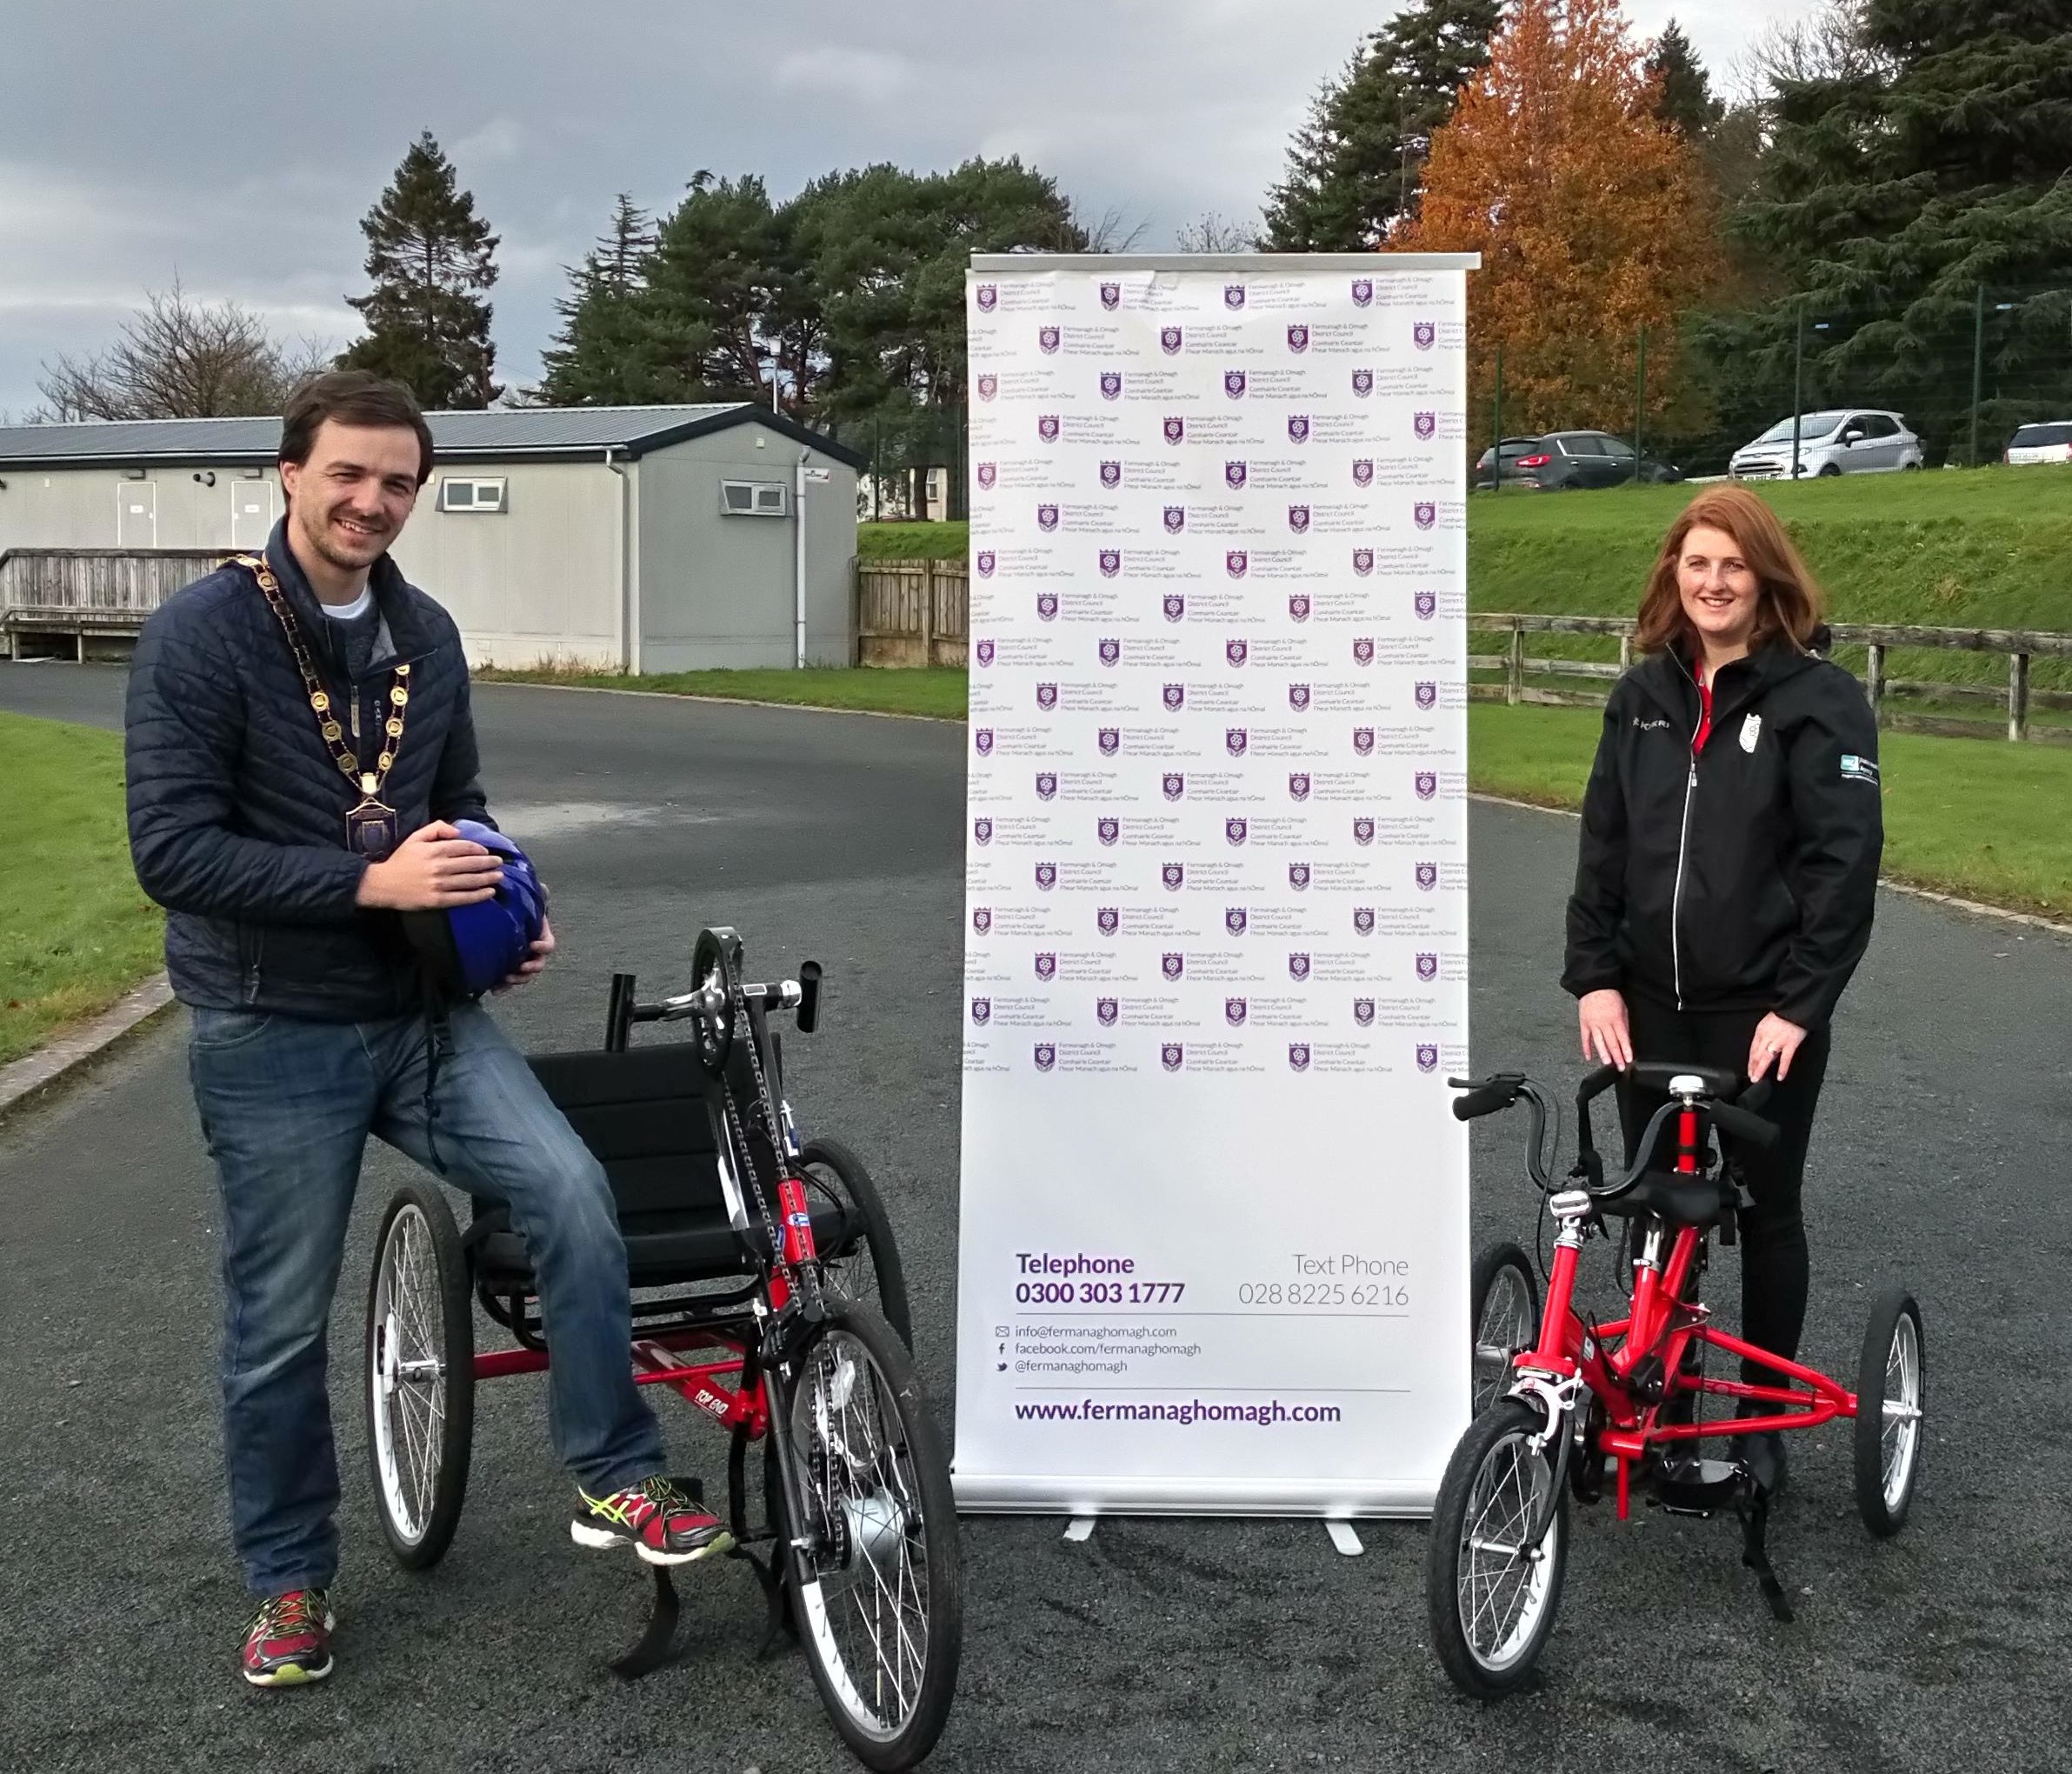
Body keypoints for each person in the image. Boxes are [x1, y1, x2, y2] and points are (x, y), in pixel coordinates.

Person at [125, 371, 731, 1690]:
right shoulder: (202, 637)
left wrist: (507, 899)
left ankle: (615, 1475)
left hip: (420, 1015)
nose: (371, 501)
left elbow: (456, 801)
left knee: (573, 1194)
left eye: (397, 481)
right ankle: (288, 1583)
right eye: (348, 472)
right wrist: (371, 882)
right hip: (271, 1026)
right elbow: (170, 853)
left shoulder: (426, 633)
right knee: (278, 1320)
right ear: (289, 472)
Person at [1561, 483, 1882, 1495]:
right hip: (1649, 1003)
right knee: (1664, 1206)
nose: (1712, 583)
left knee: (1764, 1208)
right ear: (1674, 576)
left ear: (1764, 577)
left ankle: (1758, 1430)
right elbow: (1603, 847)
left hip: (1761, 1014)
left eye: (1731, 566)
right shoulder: (1640, 698)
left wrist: (1800, 1004)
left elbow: (1844, 863)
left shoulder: (1818, 701)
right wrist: (1594, 980)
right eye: (1696, 564)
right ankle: (1672, 1415)